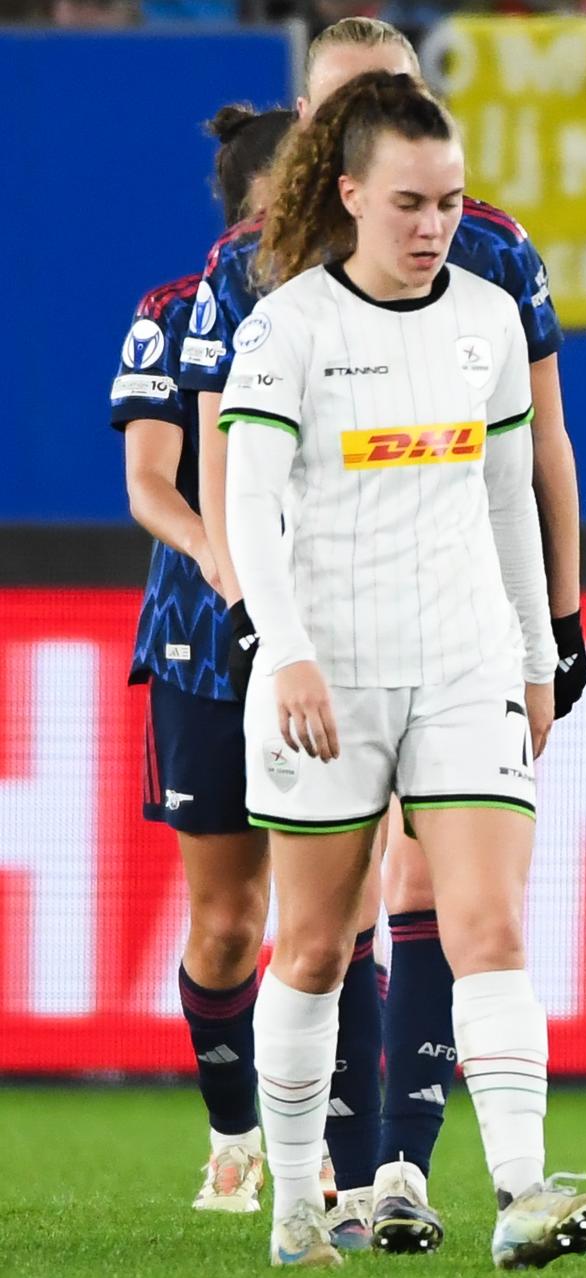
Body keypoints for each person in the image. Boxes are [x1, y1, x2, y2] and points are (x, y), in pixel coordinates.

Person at [180, 17, 586, 1251]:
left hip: (463, 659)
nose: (434, 225)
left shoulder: (487, 319)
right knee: (309, 946)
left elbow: (512, 494)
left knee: (490, 928)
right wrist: (283, 647)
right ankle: (300, 1199)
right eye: (410, 202)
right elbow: (244, 501)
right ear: (350, 191)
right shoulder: (287, 326)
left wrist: (535, 653)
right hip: (330, 669)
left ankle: (522, 1196)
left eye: (452, 202)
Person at [111, 102, 294, 1216]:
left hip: (337, 638)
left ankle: (330, 1142)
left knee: (337, 920)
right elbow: (150, 486)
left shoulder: (356, 311)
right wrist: (231, 570)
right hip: (205, 642)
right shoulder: (174, 310)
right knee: (230, 922)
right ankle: (235, 1140)